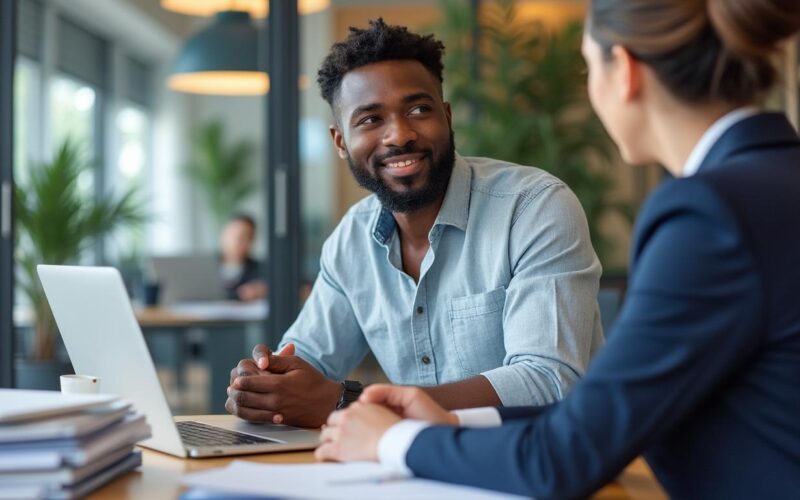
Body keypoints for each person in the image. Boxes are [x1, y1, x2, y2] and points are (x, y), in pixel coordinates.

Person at [315, 1, 800, 498]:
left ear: (625, 71)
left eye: (590, 67)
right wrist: (450, 418)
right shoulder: (770, 186)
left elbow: (563, 459)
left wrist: (397, 441)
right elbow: (610, 411)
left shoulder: (710, 213)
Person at [225, 19, 604, 428]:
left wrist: (350, 404)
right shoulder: (351, 241)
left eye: (419, 110)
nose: (399, 135)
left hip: (543, 467)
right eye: (370, 119)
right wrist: (266, 384)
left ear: (447, 116)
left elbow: (548, 381)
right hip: (417, 469)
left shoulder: (532, 207)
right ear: (340, 141)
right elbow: (308, 360)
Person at [219, 214, 267, 301]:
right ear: (223, 235)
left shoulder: (260, 269)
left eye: (248, 238)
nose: (239, 242)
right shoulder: (204, 267)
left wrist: (265, 290)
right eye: (236, 236)